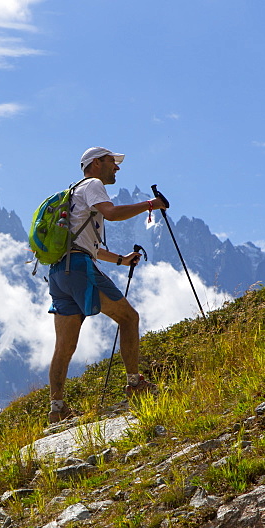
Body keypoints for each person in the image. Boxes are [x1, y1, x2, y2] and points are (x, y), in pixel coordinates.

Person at [47, 147, 168, 423]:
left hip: (59, 272)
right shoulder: (93, 184)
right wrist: (151, 205)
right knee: (129, 318)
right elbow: (111, 213)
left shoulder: (73, 193)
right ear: (96, 163)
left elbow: (89, 246)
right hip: (79, 269)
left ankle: (57, 409)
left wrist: (121, 261)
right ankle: (135, 385)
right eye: (112, 162)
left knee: (63, 346)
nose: (117, 167)